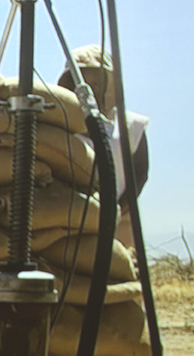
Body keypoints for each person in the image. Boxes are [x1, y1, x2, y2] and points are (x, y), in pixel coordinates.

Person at [58, 44, 151, 266]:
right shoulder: (61, 125)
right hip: (73, 216)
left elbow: (140, 171)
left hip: (121, 218)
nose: (91, 89)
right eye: (82, 81)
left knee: (120, 270)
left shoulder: (130, 125)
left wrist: (120, 207)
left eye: (97, 82)